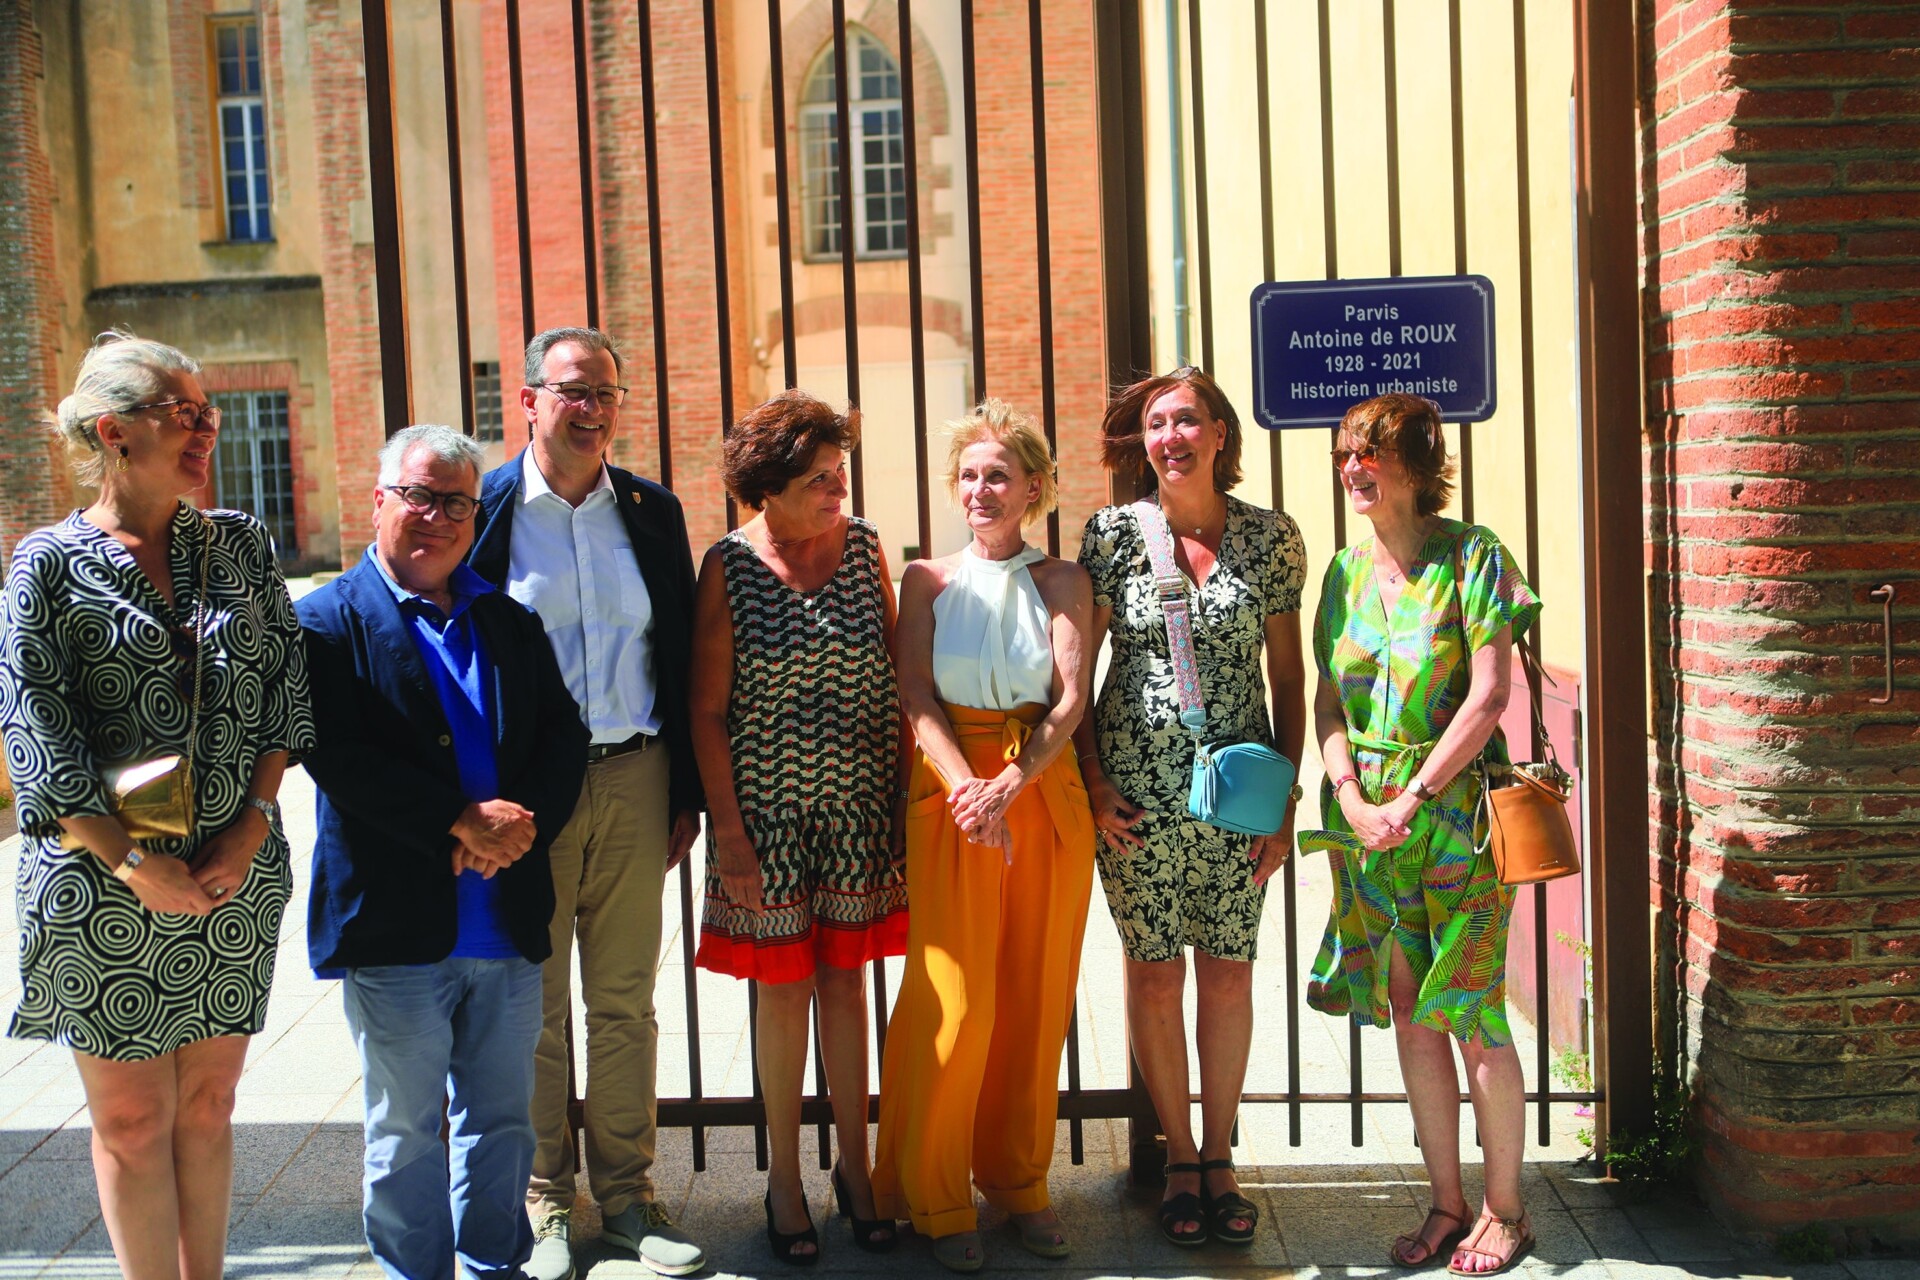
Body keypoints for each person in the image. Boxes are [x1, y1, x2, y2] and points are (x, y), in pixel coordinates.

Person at [0, 330, 314, 1280]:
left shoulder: (241, 547)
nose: (205, 431)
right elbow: (36, 738)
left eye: (209, 413)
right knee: (134, 1120)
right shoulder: (45, 565)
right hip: (105, 888)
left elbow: (287, 695)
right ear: (113, 432)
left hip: (230, 875)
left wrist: (252, 825)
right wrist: (136, 865)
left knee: (211, 1107)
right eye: (183, 414)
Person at [297, 425, 589, 1280]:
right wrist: (458, 821)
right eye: (419, 495)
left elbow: (562, 739)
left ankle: (493, 1262)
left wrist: (514, 830)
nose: (436, 516)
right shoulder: (325, 621)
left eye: (456, 502)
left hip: (503, 918)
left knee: (503, 1122)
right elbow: (338, 756)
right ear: (380, 498)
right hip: (398, 924)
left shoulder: (505, 617)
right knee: (403, 1130)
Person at [467, 327, 705, 1279]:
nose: (593, 407)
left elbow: (679, 654)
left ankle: (631, 1199)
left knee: (623, 1002)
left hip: (638, 773)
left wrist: (684, 792)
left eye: (606, 391)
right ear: (528, 400)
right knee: (535, 1002)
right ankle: (542, 1203)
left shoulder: (650, 510)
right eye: (572, 390)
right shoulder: (483, 508)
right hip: (532, 793)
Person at [1303, 393, 1541, 1276]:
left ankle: (1504, 1210)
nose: (1353, 470)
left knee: (1470, 1010)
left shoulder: (1472, 557)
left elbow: (1488, 696)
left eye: (1371, 454)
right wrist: (1349, 789)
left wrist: (1414, 796)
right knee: (1409, 1011)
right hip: (1366, 821)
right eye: (1344, 456)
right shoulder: (1341, 573)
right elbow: (1326, 699)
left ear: (1415, 464)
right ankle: (1446, 1204)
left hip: (1455, 819)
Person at [1072, 365, 1307, 1248]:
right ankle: (1178, 1158)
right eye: (1155, 424)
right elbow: (1078, 674)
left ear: (1218, 435)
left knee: (1231, 971)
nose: (1169, 436)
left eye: (1186, 420)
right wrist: (1095, 786)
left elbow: (1287, 676)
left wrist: (1283, 805)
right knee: (1155, 972)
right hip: (1135, 800)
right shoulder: (1112, 537)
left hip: (1237, 801)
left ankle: (1220, 1156)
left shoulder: (1271, 539)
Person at [870, 400, 1096, 1273]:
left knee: (1035, 996)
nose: (979, 488)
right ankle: (931, 1191)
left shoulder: (1064, 580)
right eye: (967, 474)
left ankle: (1019, 1183)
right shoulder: (925, 579)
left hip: (1041, 792)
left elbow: (1070, 699)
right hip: (950, 795)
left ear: (1033, 487)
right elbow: (915, 693)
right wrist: (968, 789)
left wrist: (1009, 784)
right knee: (954, 1001)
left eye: (997, 474)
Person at [690, 389, 908, 1266]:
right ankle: (785, 1177)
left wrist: (898, 802)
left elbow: (897, 675)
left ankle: (855, 1168)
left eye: (841, 474)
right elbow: (706, 713)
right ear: (768, 488)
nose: (838, 493)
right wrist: (730, 836)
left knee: (849, 988)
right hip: (766, 819)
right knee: (781, 994)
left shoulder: (862, 550)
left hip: (858, 812)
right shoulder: (729, 568)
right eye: (819, 479)